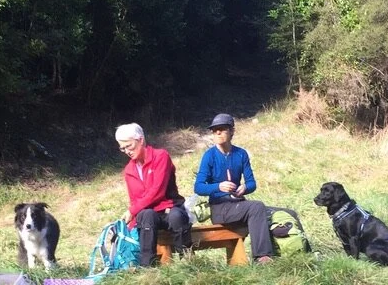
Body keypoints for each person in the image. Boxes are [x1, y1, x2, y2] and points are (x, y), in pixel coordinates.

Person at [193, 113, 274, 264]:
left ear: (232, 131)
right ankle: (262, 256)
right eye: (214, 130)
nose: (217, 132)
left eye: (222, 129)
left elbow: (252, 183)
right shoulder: (209, 156)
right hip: (219, 208)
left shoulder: (241, 154)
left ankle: (275, 252)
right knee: (257, 207)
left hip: (238, 204)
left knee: (273, 211)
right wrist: (218, 186)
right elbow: (198, 187)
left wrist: (244, 188)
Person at [115, 123, 192, 266]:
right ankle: (148, 268)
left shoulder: (161, 156)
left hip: (170, 208)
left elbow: (158, 191)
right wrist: (130, 224)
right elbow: (135, 200)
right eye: (123, 148)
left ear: (141, 140)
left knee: (176, 216)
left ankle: (187, 263)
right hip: (150, 214)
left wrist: (132, 211)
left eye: (129, 146)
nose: (127, 151)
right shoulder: (129, 170)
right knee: (147, 215)